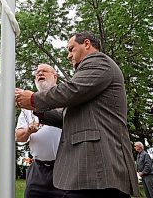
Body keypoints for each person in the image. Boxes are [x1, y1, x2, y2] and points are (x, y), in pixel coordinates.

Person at [15, 31, 139, 198]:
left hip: (99, 167)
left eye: (71, 49)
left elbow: (70, 91)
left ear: (86, 44)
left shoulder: (99, 62)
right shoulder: (89, 81)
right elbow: (65, 116)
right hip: (86, 172)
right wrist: (34, 108)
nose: (68, 55)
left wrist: (32, 99)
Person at [15, 63, 65, 198]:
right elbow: (18, 137)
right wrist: (28, 131)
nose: (40, 74)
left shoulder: (64, 98)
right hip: (38, 170)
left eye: (44, 71)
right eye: (37, 73)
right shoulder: (27, 106)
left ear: (55, 77)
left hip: (64, 169)